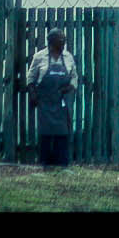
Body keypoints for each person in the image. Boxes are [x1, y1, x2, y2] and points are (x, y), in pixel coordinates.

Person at [25, 30, 79, 168]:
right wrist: (33, 94)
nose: (63, 42)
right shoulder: (39, 57)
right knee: (46, 131)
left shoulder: (68, 57)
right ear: (51, 42)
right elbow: (30, 78)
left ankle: (62, 163)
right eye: (60, 39)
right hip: (45, 100)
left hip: (61, 99)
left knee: (62, 130)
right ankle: (45, 163)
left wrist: (69, 88)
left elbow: (74, 77)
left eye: (64, 39)